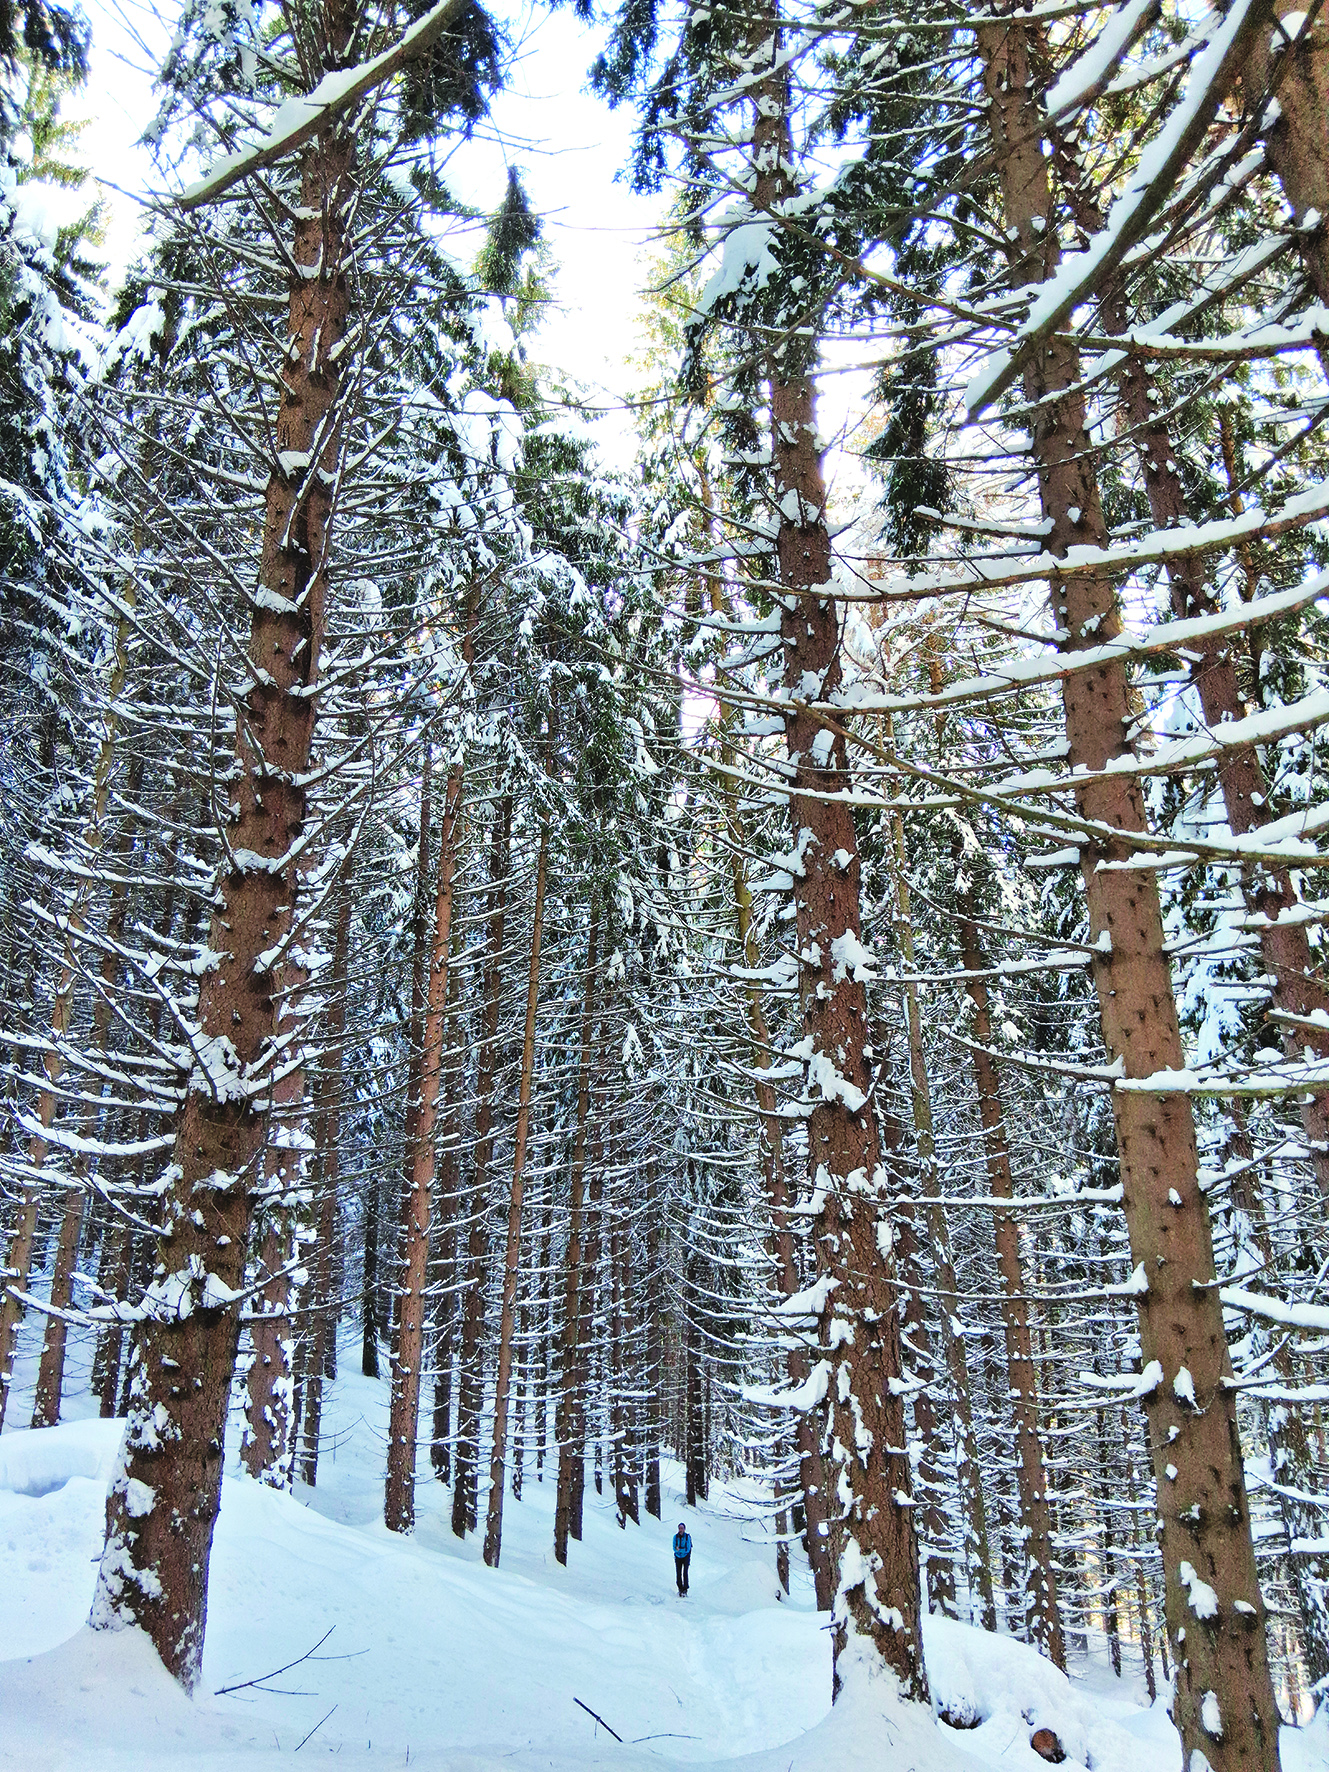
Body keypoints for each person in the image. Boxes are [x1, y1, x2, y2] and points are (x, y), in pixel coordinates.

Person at [673, 1522, 692, 1596]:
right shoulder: (675, 1537)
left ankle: (685, 1589)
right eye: (679, 1528)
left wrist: (679, 1550)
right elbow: (674, 1548)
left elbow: (688, 1548)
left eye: (682, 1528)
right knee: (678, 1573)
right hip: (678, 1557)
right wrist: (680, 1550)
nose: (680, 1530)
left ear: (684, 1529)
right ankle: (680, 1588)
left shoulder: (687, 1537)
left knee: (685, 1573)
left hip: (686, 1557)